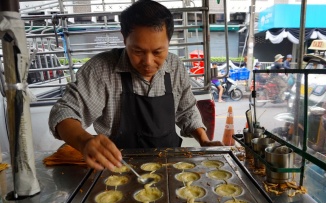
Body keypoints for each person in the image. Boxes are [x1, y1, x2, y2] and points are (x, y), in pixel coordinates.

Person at [48, 0, 223, 171]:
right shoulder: (101, 70)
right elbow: (64, 112)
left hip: (170, 166)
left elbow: (187, 110)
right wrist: (83, 140)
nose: (148, 62)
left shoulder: (175, 66)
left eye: (158, 52)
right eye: (138, 51)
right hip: (119, 168)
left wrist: (204, 141)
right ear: (124, 39)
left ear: (169, 42)